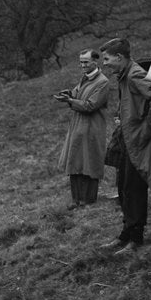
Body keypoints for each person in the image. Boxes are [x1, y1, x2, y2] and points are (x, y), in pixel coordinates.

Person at [98, 38, 151, 254]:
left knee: (133, 189)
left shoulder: (134, 74)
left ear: (119, 57)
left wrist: (149, 126)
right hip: (128, 139)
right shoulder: (125, 75)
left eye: (107, 59)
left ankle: (136, 238)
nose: (105, 64)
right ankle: (126, 233)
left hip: (138, 141)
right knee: (123, 187)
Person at [56, 50, 109, 209]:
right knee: (75, 161)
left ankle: (88, 200)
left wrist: (71, 100)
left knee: (89, 162)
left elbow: (91, 105)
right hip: (78, 126)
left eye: (86, 62)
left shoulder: (102, 82)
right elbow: (78, 94)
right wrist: (69, 94)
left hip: (91, 128)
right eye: (81, 62)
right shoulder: (86, 78)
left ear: (95, 61)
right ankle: (76, 200)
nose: (83, 65)